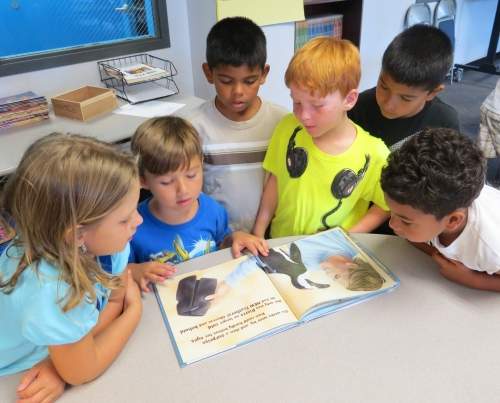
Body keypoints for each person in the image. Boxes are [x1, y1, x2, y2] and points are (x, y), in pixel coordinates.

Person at [0, 133, 143, 401]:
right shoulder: (51, 292)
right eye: (125, 219)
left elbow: (113, 300)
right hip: (10, 371)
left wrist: (61, 364)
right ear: (77, 235)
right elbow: (83, 372)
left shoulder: (110, 243)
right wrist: (134, 312)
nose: (139, 221)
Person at [252, 36, 390, 239]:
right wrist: (258, 231)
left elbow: (385, 206)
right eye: (297, 102)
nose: (303, 115)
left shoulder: (374, 153)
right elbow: (275, 179)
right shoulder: (287, 127)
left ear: (349, 99)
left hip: (332, 256)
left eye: (317, 106)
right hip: (279, 243)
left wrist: (347, 237)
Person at [129, 116, 268, 292]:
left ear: (201, 164)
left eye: (191, 175)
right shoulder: (132, 227)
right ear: (143, 181)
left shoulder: (212, 210)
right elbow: (112, 276)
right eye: (166, 182)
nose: (183, 190)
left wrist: (235, 237)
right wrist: (134, 271)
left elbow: (221, 244)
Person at [187, 16, 288, 232]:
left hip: (269, 236)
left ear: (264, 74)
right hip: (216, 238)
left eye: (249, 81)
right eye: (226, 81)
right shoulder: (193, 128)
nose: (238, 91)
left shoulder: (282, 123)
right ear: (208, 73)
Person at [380, 128, 500, 291]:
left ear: (452, 221)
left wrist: (470, 279)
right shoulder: (427, 207)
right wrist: (433, 252)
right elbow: (416, 238)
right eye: (391, 212)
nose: (392, 224)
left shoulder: (490, 249)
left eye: (406, 221)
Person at [349, 24, 460, 150]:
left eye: (406, 98)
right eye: (384, 87)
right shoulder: (358, 107)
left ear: (432, 93)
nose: (388, 104)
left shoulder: (444, 123)